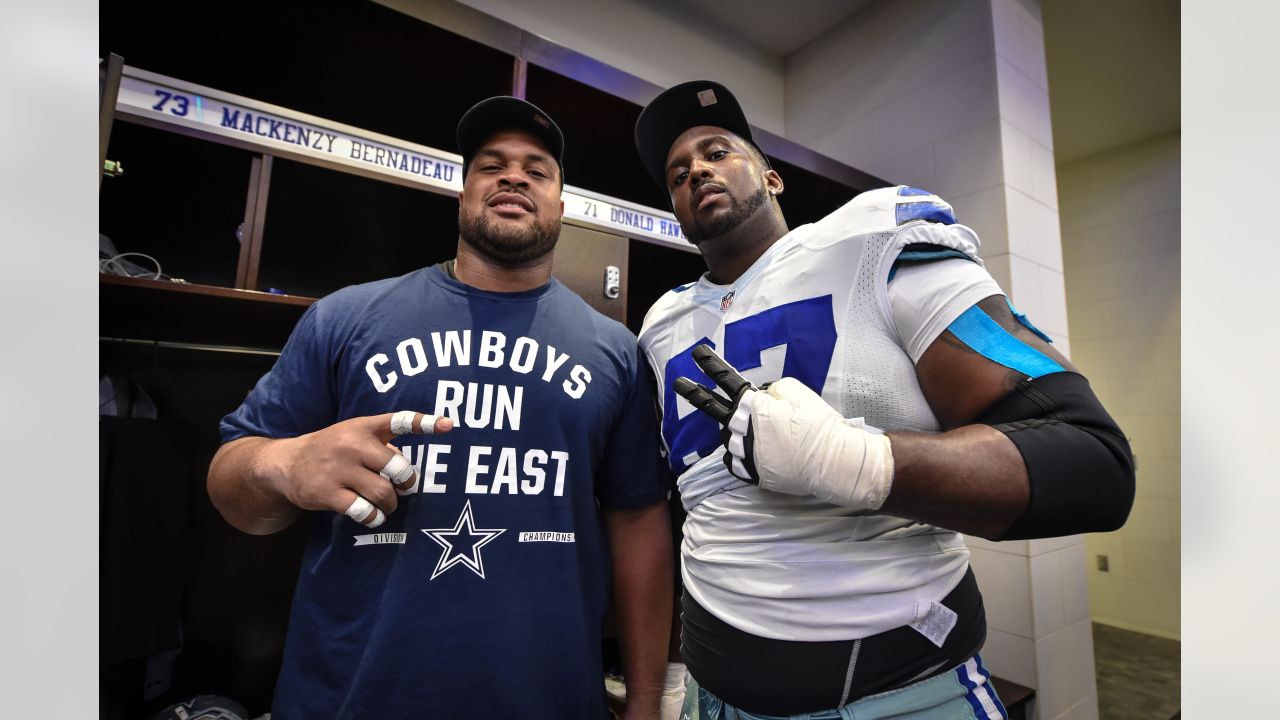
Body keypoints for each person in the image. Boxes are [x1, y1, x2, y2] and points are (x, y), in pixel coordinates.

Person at [631, 81, 1135, 720]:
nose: (698, 170)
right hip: (713, 696)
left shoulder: (868, 244)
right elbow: (699, 517)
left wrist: (848, 460)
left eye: (718, 151)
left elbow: (1092, 459)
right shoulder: (662, 325)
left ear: (772, 176)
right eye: (678, 174)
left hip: (899, 697)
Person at [208, 96, 674, 720]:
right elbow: (231, 486)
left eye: (538, 170)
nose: (514, 177)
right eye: (491, 165)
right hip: (349, 700)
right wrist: (284, 464)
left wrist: (645, 701)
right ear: (461, 195)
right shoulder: (345, 318)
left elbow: (639, 523)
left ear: (562, 206)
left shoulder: (613, 350)